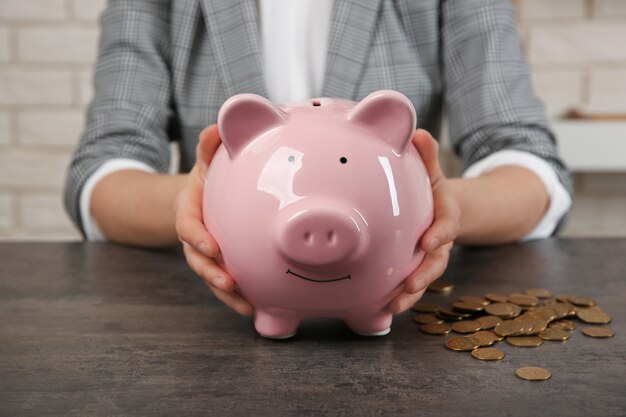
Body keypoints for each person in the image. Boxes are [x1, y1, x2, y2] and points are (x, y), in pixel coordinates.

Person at [64, 0, 572, 317]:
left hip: (398, 300)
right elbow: (103, 172)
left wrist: (434, 207)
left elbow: (529, 163)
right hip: (210, 316)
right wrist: (201, 202)